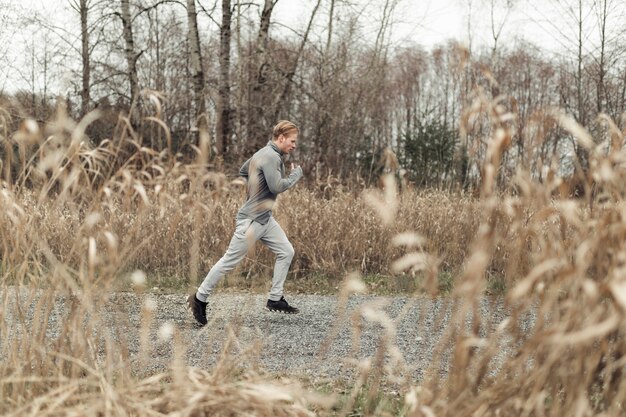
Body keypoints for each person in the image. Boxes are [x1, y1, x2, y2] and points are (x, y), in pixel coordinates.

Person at [187, 120, 304, 325]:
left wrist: (256, 188)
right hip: (251, 221)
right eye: (292, 141)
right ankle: (199, 298)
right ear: (281, 138)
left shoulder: (264, 154)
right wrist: (295, 175)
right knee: (229, 262)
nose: (294, 145)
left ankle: (275, 298)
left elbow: (243, 170)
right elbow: (277, 187)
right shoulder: (269, 156)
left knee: (286, 251)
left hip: (265, 219)